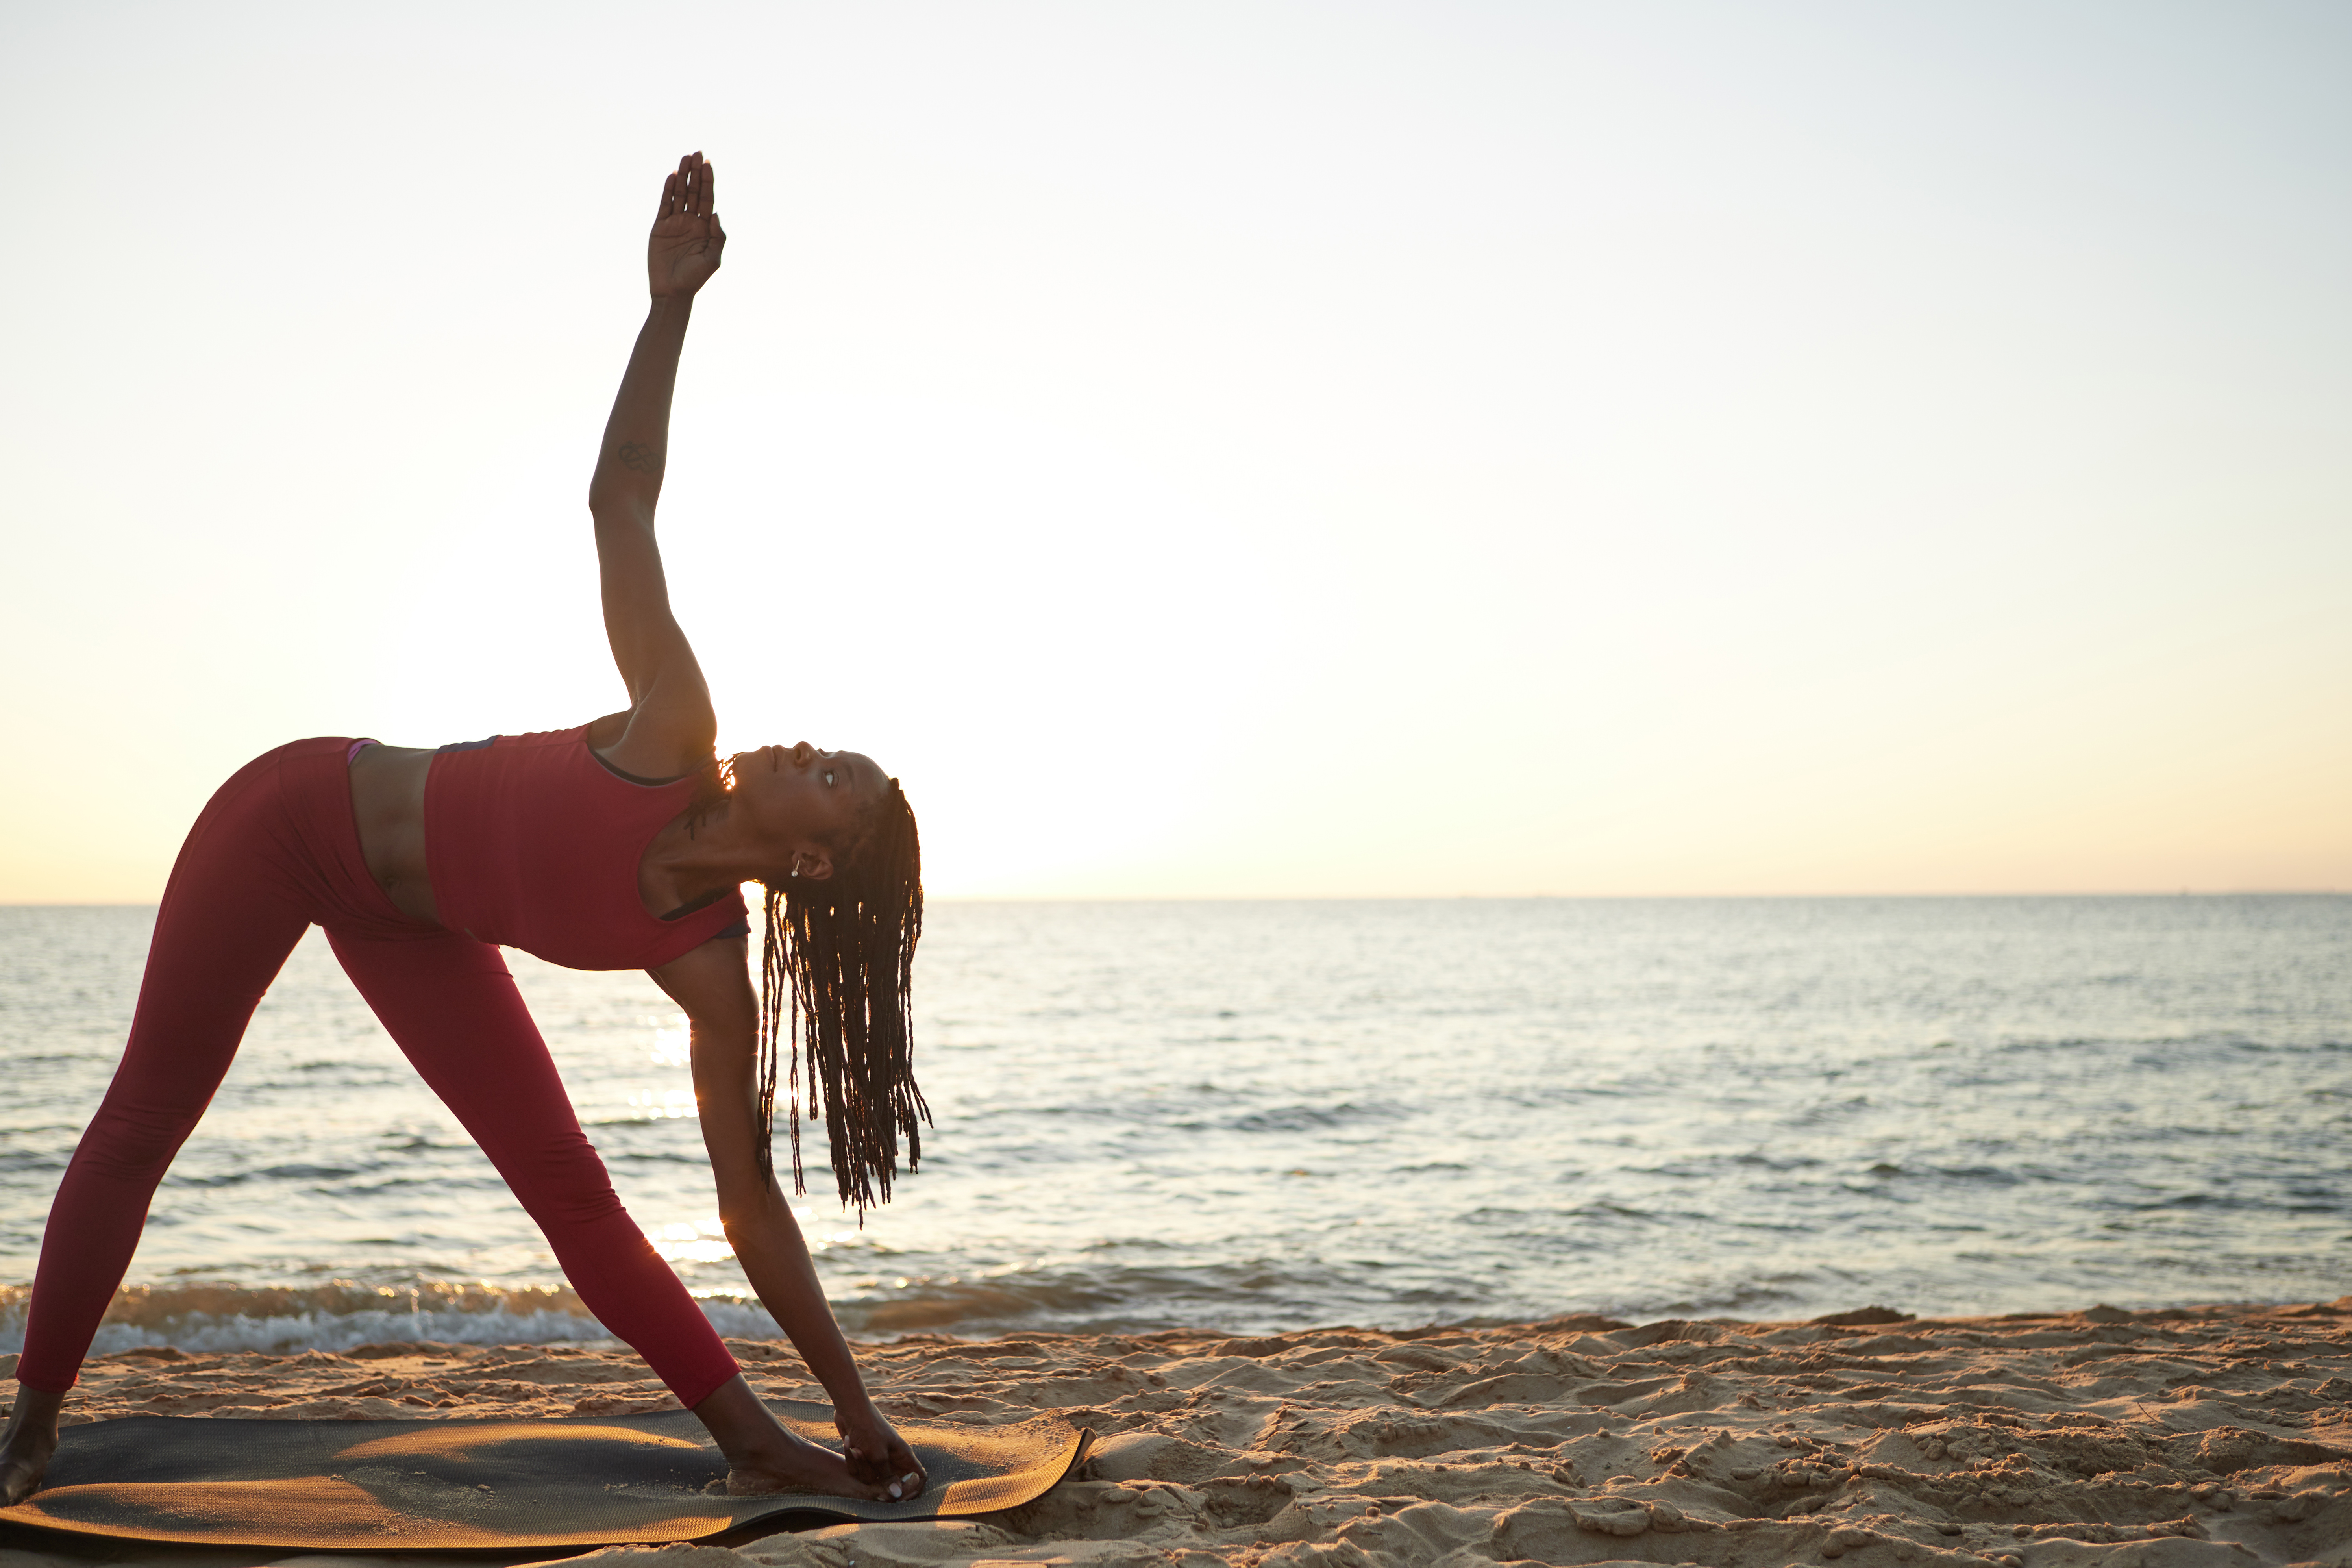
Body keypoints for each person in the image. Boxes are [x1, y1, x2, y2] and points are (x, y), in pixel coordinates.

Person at [0, 154, 930, 1507]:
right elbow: (620, 502)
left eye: (836, 779)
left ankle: (752, 1439)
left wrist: (855, 1407)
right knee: (153, 1109)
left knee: (571, 1189)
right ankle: (33, 1420)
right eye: (832, 750)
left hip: (411, 923)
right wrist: (670, 307)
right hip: (285, 819)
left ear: (814, 864)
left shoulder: (709, 969)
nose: (810, 750)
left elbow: (749, 1208)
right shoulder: (676, 727)